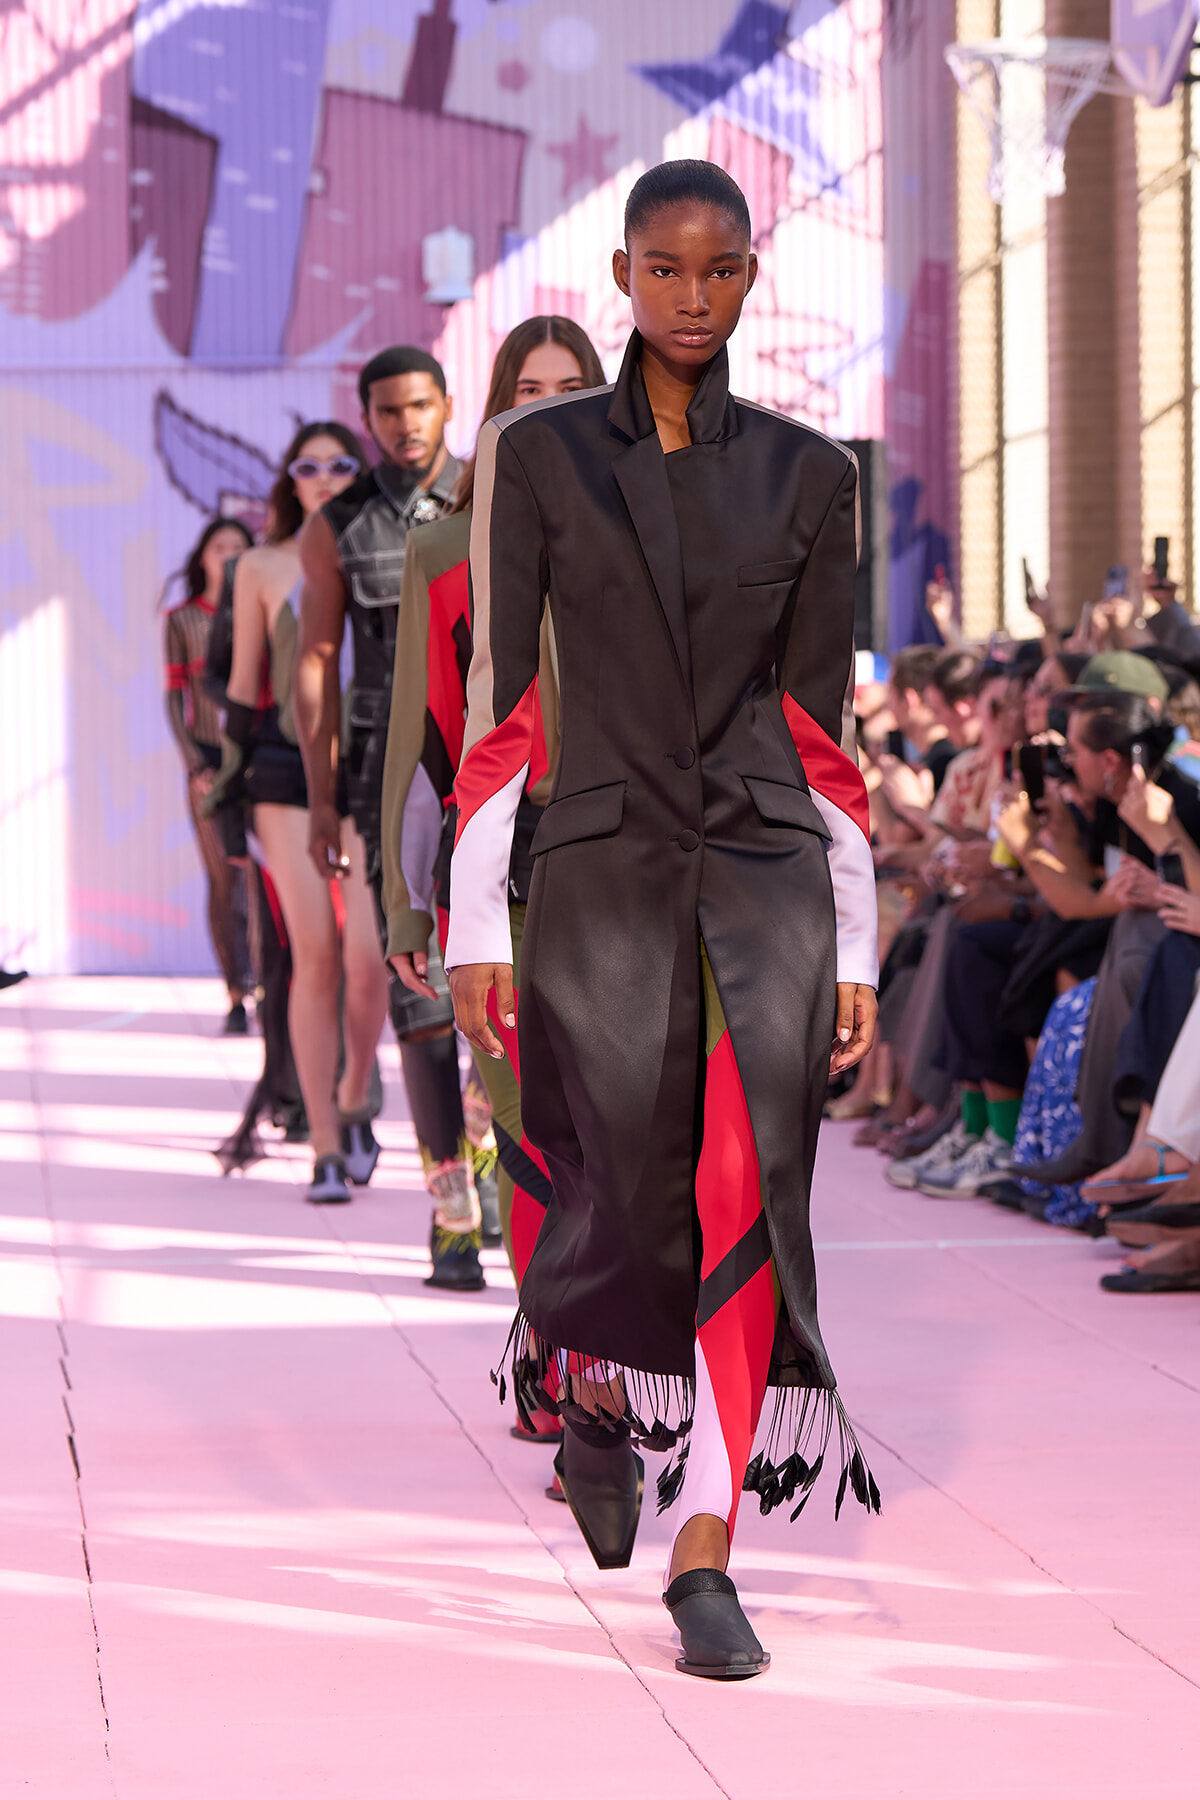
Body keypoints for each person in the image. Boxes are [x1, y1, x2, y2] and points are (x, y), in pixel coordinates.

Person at [446, 161, 880, 1681]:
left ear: (750, 280)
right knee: (622, 1189)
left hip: (765, 874)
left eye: (721, 271)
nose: (693, 298)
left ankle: (711, 1548)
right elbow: (502, 709)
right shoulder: (545, 459)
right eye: (666, 271)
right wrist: (472, 923)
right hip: (599, 872)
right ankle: (594, 1396)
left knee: (750, 1187)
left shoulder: (814, 477)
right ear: (624, 274)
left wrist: (861, 941)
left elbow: (822, 736)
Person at [380, 316, 605, 1450]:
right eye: (526, 389)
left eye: (571, 389)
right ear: (493, 409)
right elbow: (420, 744)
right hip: (500, 871)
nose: (547, 408)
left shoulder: (652, 532)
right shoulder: (441, 550)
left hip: (627, 873)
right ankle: (561, 1365)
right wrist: (403, 898)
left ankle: (591, 1364)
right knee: (528, 1134)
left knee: (613, 1141)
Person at [294, 349, 482, 1283]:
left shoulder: (497, 495)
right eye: (387, 410)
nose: (406, 423)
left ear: (447, 405)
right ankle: (451, 1211)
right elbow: (317, 659)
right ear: (366, 416)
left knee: (507, 991)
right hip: (390, 776)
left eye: (420, 405)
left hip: (498, 770)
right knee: (421, 995)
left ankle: (495, 1171)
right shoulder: (341, 524)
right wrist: (322, 796)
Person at [205, 424, 387, 1202]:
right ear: (289, 478)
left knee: (370, 959)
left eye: (340, 463)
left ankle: (352, 1091)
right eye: (306, 466)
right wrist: (224, 786)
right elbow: (242, 686)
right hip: (282, 773)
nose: (322, 476)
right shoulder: (256, 566)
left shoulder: (390, 550)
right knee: (313, 952)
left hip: (375, 769)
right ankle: (321, 1142)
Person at [163, 516, 255, 1032]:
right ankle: (235, 991)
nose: (228, 555)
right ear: (203, 556)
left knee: (259, 884)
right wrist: (193, 763)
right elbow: (174, 698)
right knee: (223, 882)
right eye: (219, 547)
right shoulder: (181, 621)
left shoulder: (260, 611)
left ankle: (268, 984)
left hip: (257, 762)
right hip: (206, 763)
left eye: (238, 547)